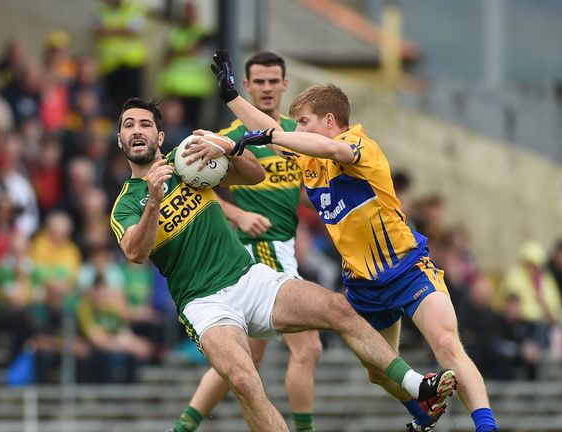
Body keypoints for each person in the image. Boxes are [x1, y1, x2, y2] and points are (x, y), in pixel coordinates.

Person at [109, 97, 456, 432]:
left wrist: (227, 148)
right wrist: (153, 201)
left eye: (145, 124)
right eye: (129, 125)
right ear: (121, 139)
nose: (137, 130)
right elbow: (136, 253)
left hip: (247, 278)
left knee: (339, 308)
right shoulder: (125, 206)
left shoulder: (187, 158)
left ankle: (416, 386)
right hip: (204, 304)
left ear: (160, 136)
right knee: (245, 381)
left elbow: (253, 175)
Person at [212, 49, 497, 432]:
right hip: (363, 285)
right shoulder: (307, 158)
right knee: (379, 372)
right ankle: (422, 412)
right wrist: (232, 96)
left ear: (330, 121)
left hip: (407, 269)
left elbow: (329, 148)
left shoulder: (360, 146)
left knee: (447, 345)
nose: (295, 130)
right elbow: (269, 126)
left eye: (303, 123)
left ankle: (486, 427)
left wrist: (275, 134)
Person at [170, 52, 322, 432]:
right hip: (260, 250)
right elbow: (192, 189)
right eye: (260, 82)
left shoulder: (292, 134)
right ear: (248, 87)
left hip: (283, 244)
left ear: (286, 85)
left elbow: (306, 186)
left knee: (244, 362)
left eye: (275, 81)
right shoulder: (230, 137)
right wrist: (237, 214)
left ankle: (183, 428)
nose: (268, 88)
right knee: (309, 347)